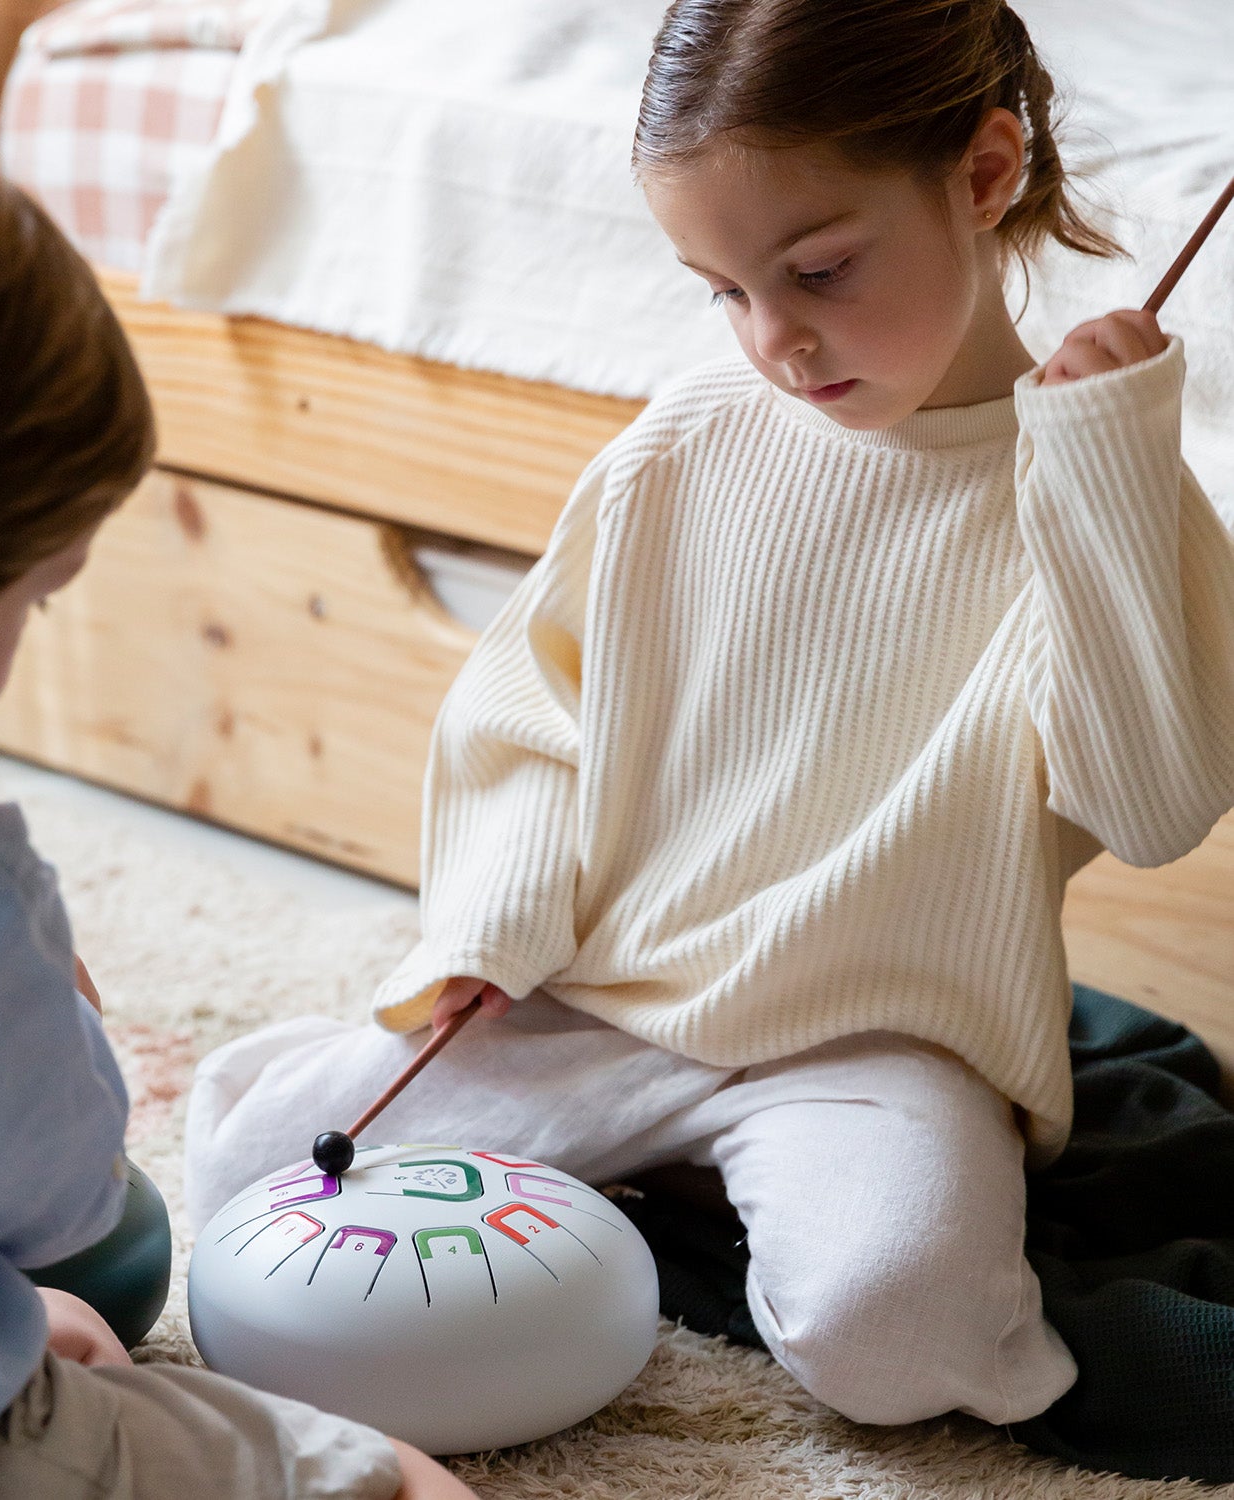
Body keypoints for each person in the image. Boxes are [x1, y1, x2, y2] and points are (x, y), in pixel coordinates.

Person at [185, 0, 1234, 1432]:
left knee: (894, 1332)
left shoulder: (1101, 487)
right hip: (604, 997)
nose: (775, 341)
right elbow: (529, 715)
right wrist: (489, 932)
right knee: (258, 1174)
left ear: (986, 175)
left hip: (873, 1045)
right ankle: (677, 1203)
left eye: (816, 270)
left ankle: (710, 1216)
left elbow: (1152, 803)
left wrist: (1108, 467)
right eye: (721, 289)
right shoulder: (685, 441)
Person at [0, 111, 476, 1500]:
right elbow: (61, 1207)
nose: (35, 627)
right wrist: (44, 1004)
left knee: (51, 1326)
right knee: (397, 1482)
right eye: (35, 599)